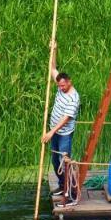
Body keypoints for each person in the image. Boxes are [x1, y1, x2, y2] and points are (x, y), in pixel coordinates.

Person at [41, 64, 80, 204]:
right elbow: (52, 68)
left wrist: (51, 132)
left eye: (63, 86)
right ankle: (62, 184)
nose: (61, 88)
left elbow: (65, 119)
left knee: (65, 163)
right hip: (55, 132)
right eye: (59, 86)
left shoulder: (73, 98)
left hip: (64, 134)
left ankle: (72, 194)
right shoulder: (59, 84)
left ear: (69, 82)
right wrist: (54, 49)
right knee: (55, 161)